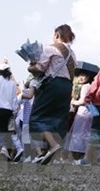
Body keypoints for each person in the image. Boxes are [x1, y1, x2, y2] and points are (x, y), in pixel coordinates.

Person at [28, 24, 76, 165]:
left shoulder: (51, 48)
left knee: (37, 118)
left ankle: (53, 145)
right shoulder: (72, 53)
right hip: (67, 87)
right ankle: (47, 153)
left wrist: (30, 66)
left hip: (52, 85)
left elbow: (39, 68)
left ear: (56, 35)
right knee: (58, 119)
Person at [64, 71, 95, 160]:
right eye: (80, 75)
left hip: (83, 112)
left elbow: (83, 101)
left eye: (84, 75)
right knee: (85, 134)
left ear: (88, 77)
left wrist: (73, 101)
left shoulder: (85, 86)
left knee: (78, 134)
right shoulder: (90, 86)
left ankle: (78, 156)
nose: (81, 77)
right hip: (90, 112)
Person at [0, 63, 18, 160]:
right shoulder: (12, 83)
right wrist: (14, 112)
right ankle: (2, 148)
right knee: (2, 131)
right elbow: (14, 99)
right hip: (7, 111)